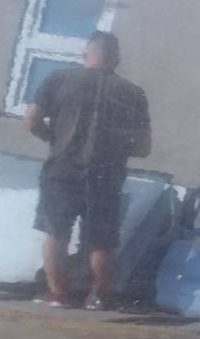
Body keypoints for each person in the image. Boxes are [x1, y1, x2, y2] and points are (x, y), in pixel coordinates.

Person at [24, 30, 152, 309]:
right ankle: (98, 298)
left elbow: (31, 120)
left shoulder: (58, 79)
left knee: (56, 233)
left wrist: (54, 138)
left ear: (85, 55)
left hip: (62, 169)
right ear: (116, 60)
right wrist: (116, 149)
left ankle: (58, 296)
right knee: (101, 239)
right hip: (107, 174)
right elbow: (144, 147)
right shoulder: (133, 93)